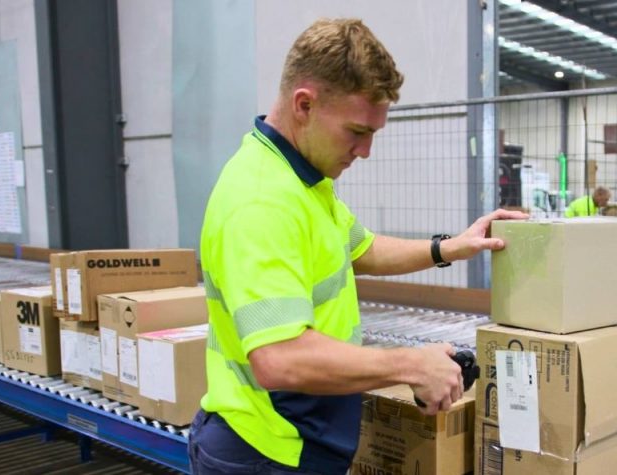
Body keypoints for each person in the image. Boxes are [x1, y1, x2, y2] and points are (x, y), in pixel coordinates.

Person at [188, 18, 527, 475]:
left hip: (294, 440)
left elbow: (360, 249)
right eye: (357, 132)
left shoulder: (304, 181)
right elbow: (278, 359)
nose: (364, 151)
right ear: (304, 104)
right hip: (265, 452)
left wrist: (450, 248)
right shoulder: (261, 201)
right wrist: (411, 365)